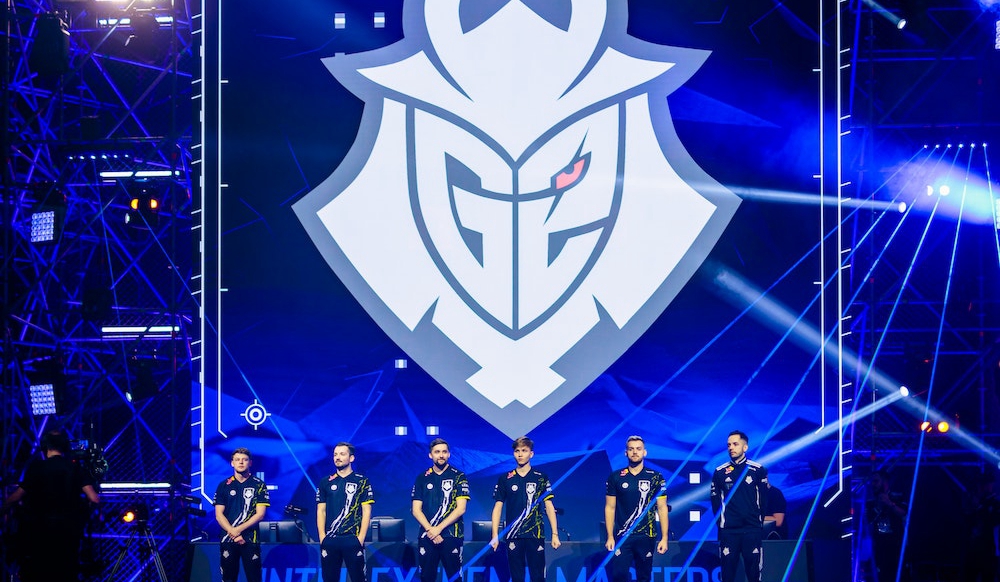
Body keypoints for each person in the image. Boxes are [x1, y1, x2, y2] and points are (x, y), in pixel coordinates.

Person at [2, 429, 100, 582]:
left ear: (45, 446)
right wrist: (81, 517)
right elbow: (94, 498)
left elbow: (16, 497)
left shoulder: (37, 468)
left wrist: (4, 509)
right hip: (68, 533)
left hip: (40, 533)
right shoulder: (75, 469)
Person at [489, 436, 561, 582]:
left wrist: (555, 534)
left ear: (531, 454)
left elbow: (549, 506)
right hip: (513, 534)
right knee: (517, 577)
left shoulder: (541, 477)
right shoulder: (505, 478)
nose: (520, 454)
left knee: (538, 577)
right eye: (517, 451)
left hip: (535, 534)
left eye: (524, 450)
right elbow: (497, 507)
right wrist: (494, 534)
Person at [604, 435, 669, 582]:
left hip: (646, 536)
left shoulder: (656, 477)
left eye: (638, 449)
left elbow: (662, 508)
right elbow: (610, 507)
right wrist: (610, 536)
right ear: (625, 453)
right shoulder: (615, 477)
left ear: (644, 452)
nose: (635, 452)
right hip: (622, 536)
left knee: (644, 577)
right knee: (619, 576)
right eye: (631, 449)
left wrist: (664, 538)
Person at [711, 430, 768, 582]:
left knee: (754, 575)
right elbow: (715, 503)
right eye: (729, 445)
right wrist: (723, 524)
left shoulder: (757, 470)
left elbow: (763, 501)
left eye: (735, 444)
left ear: (745, 447)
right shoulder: (720, 472)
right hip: (729, 532)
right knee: (727, 576)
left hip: (752, 530)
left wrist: (757, 523)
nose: (731, 447)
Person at [411, 438, 470, 582]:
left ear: (449, 454)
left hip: (451, 535)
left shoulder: (459, 476)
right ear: (430, 455)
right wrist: (430, 530)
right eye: (437, 452)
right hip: (427, 535)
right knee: (426, 578)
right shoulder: (422, 478)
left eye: (444, 452)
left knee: (455, 578)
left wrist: (438, 529)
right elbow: (416, 510)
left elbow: (461, 508)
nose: (441, 455)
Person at [316, 442, 375, 582]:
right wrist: (322, 537)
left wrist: (360, 538)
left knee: (358, 579)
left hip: (352, 539)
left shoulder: (362, 481)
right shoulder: (325, 482)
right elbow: (321, 511)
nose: (338, 457)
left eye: (342, 454)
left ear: (351, 458)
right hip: (330, 539)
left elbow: (366, 511)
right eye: (335, 454)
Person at [214, 447, 269, 582]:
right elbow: (219, 515)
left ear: (250, 463)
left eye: (244, 460)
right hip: (228, 539)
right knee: (228, 578)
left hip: (250, 539)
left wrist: (237, 530)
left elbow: (260, 514)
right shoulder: (223, 485)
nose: (241, 462)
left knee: (254, 578)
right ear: (232, 463)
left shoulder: (259, 485)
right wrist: (232, 532)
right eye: (237, 460)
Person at [866, 470, 908, 582]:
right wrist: (878, 507)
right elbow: (867, 520)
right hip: (880, 545)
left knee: (899, 574)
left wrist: (889, 503)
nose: (873, 485)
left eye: (876, 481)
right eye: (871, 482)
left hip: (896, 544)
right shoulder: (870, 500)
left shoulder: (897, 496)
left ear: (884, 482)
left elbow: (903, 512)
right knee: (882, 576)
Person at [961, 472, 1000, 582]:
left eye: (988, 484)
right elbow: (968, 520)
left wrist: (979, 507)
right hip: (973, 550)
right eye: (983, 484)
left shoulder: (996, 503)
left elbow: (993, 521)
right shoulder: (976, 501)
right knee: (969, 576)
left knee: (988, 576)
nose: (985, 487)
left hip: (989, 550)